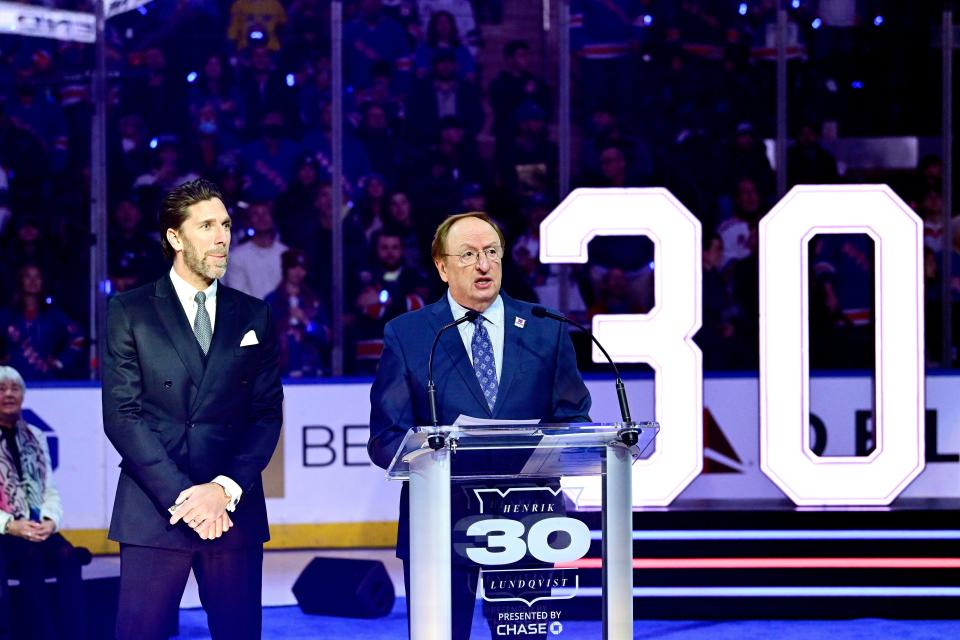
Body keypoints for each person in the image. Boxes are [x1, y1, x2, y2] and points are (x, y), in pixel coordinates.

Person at [367, 212, 591, 640]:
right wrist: (431, 451)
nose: (484, 265)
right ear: (441, 266)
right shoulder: (409, 334)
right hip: (440, 523)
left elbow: (574, 420)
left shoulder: (547, 328)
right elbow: (384, 440)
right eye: (468, 255)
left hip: (529, 522)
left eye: (491, 253)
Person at [102, 178, 283, 640]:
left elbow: (265, 416)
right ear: (175, 238)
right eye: (207, 226)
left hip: (232, 511)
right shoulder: (131, 311)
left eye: (225, 224)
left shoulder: (254, 314)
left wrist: (222, 490)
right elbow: (123, 416)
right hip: (155, 508)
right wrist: (189, 499)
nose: (223, 237)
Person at [0, 366, 86, 640]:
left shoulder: (34, 435)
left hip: (35, 525)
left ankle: (75, 634)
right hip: (5, 530)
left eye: (15, 388)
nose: (9, 394)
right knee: (30, 559)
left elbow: (49, 486)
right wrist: (10, 525)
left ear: (24, 395)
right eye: (1, 388)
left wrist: (50, 521)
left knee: (68, 556)